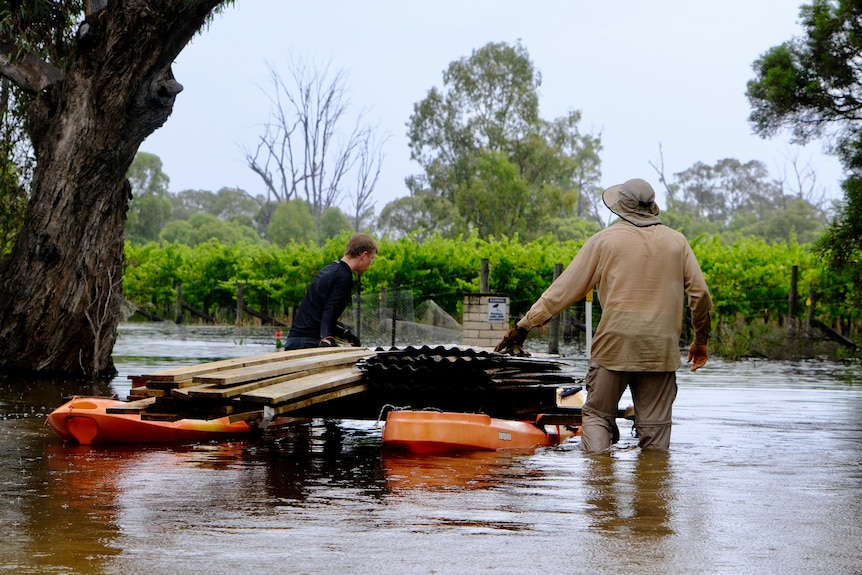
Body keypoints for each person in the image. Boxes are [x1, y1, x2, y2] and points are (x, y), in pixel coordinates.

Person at [494, 178, 712, 452]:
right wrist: (700, 340)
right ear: (651, 207)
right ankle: (652, 488)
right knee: (656, 435)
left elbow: (562, 290)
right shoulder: (677, 242)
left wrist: (524, 326)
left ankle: (601, 482)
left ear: (621, 207)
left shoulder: (604, 241)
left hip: (613, 345)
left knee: (597, 416)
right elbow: (701, 295)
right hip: (660, 350)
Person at [284, 233, 377, 350]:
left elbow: (318, 315)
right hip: (309, 343)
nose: (371, 263)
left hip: (294, 342)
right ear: (364, 255)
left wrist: (345, 333)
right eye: (371, 258)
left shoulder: (330, 269)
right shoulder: (344, 277)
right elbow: (330, 310)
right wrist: (326, 338)